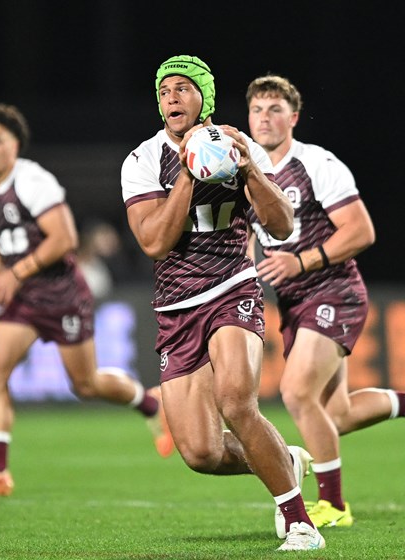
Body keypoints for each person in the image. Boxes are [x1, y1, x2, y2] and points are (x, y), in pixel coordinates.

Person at [244, 74, 405, 535]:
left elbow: (362, 231)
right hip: (294, 300)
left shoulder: (318, 164)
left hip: (333, 291)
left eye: (274, 109)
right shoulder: (247, 171)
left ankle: (333, 504)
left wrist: (300, 262)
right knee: (336, 414)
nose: (264, 118)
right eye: (257, 110)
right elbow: (247, 237)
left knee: (296, 393)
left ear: (294, 118)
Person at [121, 56, 324, 551]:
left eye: (183, 88)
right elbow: (152, 243)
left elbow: (281, 225)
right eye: (164, 89)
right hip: (176, 308)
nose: (171, 97)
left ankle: (300, 521)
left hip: (233, 287)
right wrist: (190, 175)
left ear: (204, 98)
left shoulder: (239, 144)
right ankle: (285, 460)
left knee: (236, 400)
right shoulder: (143, 160)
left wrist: (249, 166)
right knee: (201, 453)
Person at [0, 101, 173, 498]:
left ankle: (152, 404)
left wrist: (14, 275)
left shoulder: (34, 182)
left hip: (61, 294)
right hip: (22, 299)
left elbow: (65, 239)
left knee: (85, 385)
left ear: (15, 144)